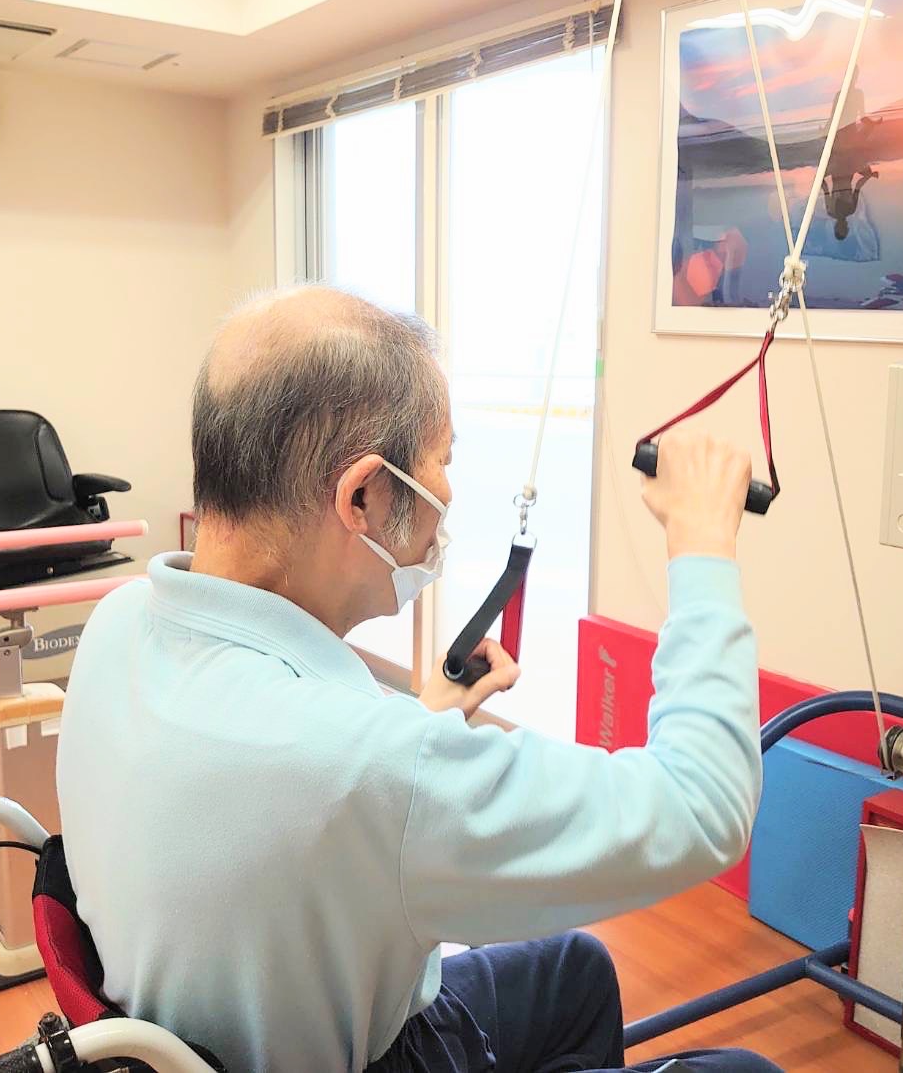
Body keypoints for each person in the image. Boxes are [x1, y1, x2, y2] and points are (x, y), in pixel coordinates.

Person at [57, 286, 772, 1073]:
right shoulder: (368, 765)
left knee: (575, 969)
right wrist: (702, 545)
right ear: (362, 495)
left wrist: (426, 715)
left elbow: (291, 792)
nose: (448, 494)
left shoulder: (119, 621)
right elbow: (702, 805)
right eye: (443, 461)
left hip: (217, 1026)